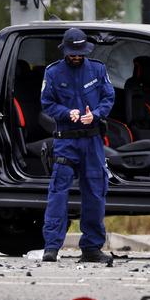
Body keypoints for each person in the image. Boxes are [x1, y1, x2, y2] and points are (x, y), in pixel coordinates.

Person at [40, 28, 115, 263]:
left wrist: (97, 115)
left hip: (92, 140)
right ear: (65, 51)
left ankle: (92, 248)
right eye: (72, 53)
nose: (76, 57)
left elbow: (108, 97)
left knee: (95, 192)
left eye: (79, 53)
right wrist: (66, 112)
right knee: (58, 192)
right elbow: (47, 102)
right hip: (66, 140)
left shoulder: (97, 69)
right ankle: (52, 247)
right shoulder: (53, 72)